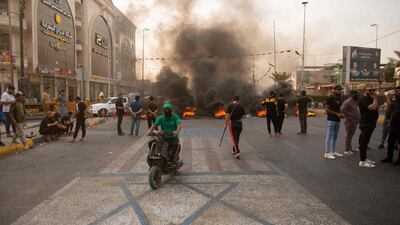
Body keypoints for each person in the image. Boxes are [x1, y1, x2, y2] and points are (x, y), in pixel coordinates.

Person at [357, 86, 379, 168]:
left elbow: (375, 107)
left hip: (371, 124)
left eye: (374, 90)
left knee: (366, 142)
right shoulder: (363, 100)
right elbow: (373, 107)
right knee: (363, 143)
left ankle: (365, 158)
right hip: (366, 124)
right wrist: (375, 98)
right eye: (370, 90)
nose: (372, 91)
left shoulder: (371, 99)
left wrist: (374, 99)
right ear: (365, 91)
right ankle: (362, 161)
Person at [324, 85, 344, 159]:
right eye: (338, 90)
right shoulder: (330, 98)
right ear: (334, 90)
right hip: (331, 119)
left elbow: (340, 109)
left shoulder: (340, 99)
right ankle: (326, 153)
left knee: (335, 136)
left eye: (340, 90)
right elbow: (326, 109)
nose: (339, 91)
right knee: (329, 136)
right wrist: (336, 114)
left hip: (338, 120)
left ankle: (333, 151)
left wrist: (342, 114)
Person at [381, 86, 400, 165]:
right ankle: (389, 157)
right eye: (396, 91)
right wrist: (390, 123)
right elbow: (392, 113)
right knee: (390, 141)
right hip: (394, 125)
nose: (397, 92)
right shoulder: (395, 102)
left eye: (398, 91)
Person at [341, 90, 361, 156]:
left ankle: (349, 148)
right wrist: (348, 116)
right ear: (352, 94)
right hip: (349, 122)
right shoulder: (348, 101)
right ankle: (347, 150)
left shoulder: (354, 101)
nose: (357, 95)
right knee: (349, 136)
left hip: (354, 121)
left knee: (351, 136)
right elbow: (342, 109)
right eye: (356, 94)